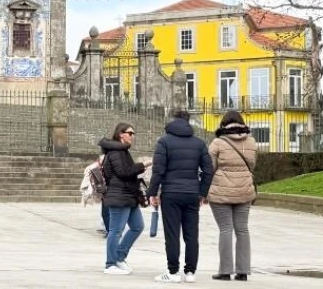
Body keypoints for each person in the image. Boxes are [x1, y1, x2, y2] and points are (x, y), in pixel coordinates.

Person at [148, 109, 214, 283]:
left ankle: (172, 272)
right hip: (192, 193)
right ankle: (190, 272)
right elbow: (208, 170)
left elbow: (158, 170)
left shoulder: (164, 142)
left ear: (172, 121)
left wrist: (152, 193)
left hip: (171, 193)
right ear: (188, 122)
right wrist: (202, 192)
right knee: (191, 234)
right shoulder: (199, 143)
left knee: (172, 234)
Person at [207, 111, 258, 281]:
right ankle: (243, 271)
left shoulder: (217, 143)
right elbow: (252, 165)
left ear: (223, 124)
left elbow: (210, 168)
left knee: (225, 229)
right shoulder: (251, 142)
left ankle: (225, 271)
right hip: (244, 190)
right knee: (242, 229)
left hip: (221, 191)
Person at [99, 123, 147, 275]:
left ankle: (119, 257)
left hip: (128, 195)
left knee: (137, 226)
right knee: (116, 231)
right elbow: (124, 172)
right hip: (119, 195)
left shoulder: (122, 151)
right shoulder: (115, 152)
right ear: (121, 134)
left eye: (133, 133)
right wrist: (143, 165)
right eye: (130, 133)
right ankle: (110, 264)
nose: (132, 136)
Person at [80, 154, 110, 235]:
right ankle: (107, 229)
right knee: (105, 213)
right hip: (105, 191)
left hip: (111, 191)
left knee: (107, 212)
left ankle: (110, 230)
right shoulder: (95, 168)